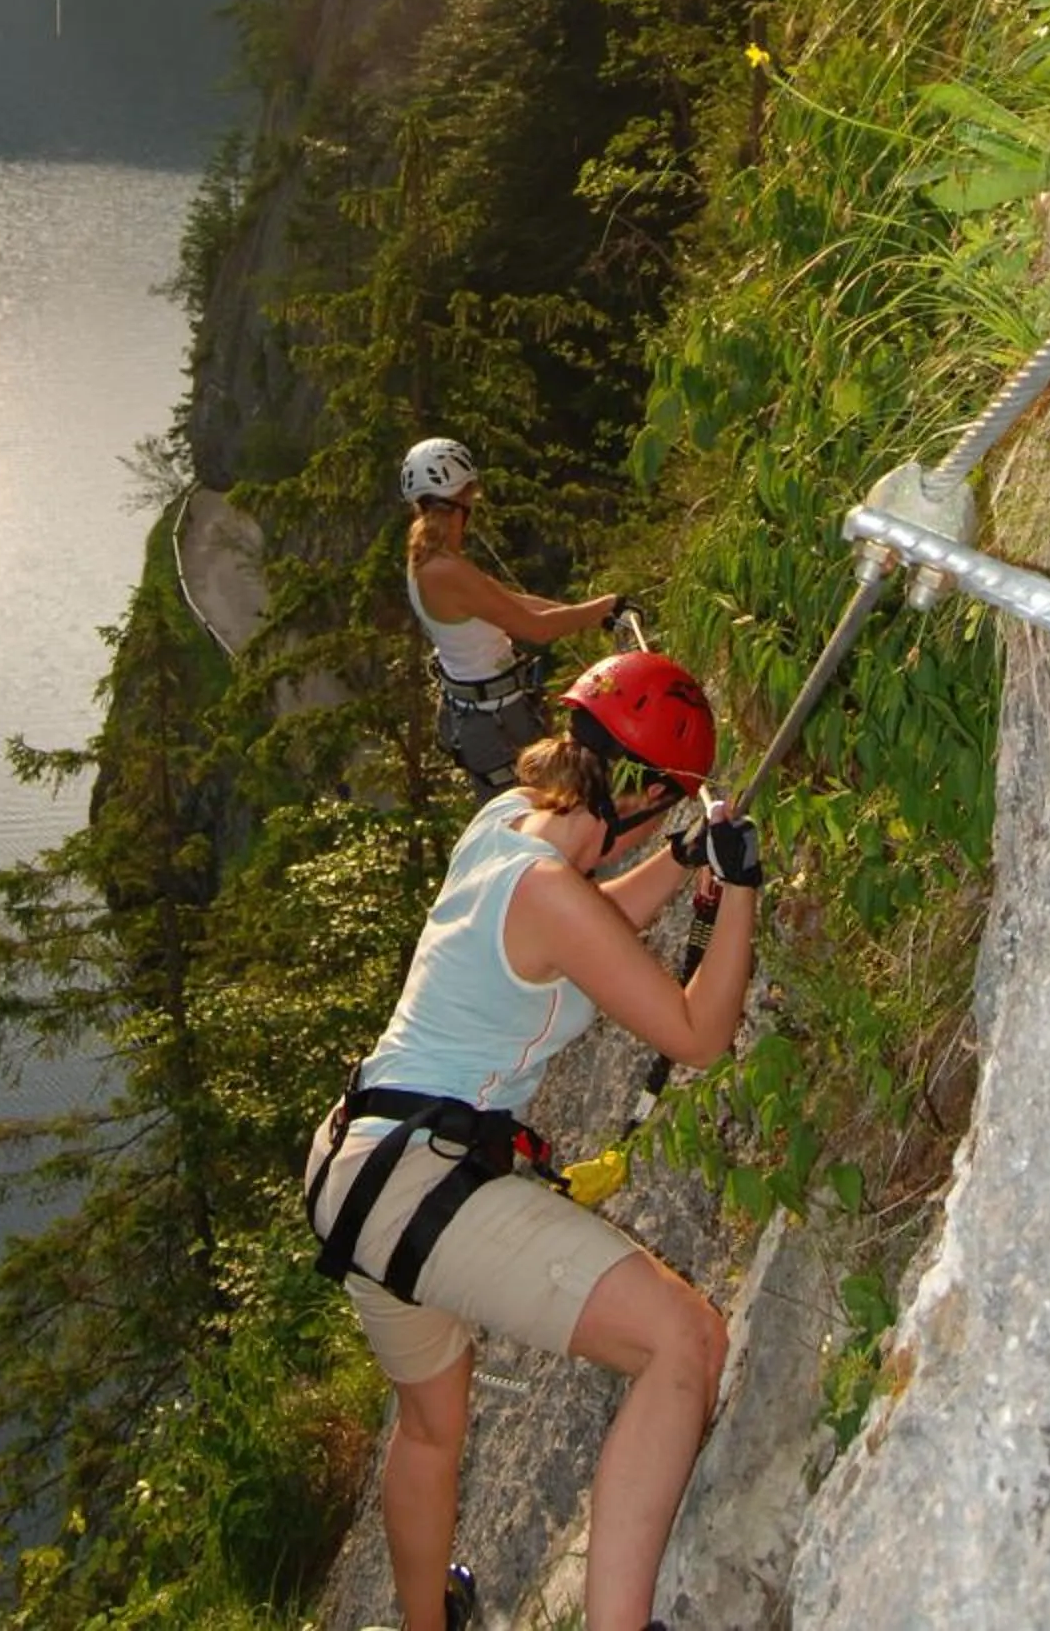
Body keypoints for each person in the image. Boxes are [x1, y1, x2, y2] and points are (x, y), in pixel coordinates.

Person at [305, 652, 764, 1631]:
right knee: (682, 1340)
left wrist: (680, 864)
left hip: (354, 1165)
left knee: (431, 1429)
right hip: (419, 1187)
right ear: (640, 791)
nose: (674, 818)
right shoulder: (552, 893)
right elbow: (699, 1034)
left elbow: (584, 924)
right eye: (670, 805)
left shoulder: (501, 829)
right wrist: (743, 891)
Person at [399, 436, 625, 800]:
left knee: (549, 805)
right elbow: (535, 629)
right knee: (537, 813)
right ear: (463, 499)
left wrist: (591, 612)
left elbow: (509, 603)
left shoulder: (430, 558)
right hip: (494, 723)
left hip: (490, 714)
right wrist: (602, 607)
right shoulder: (443, 571)